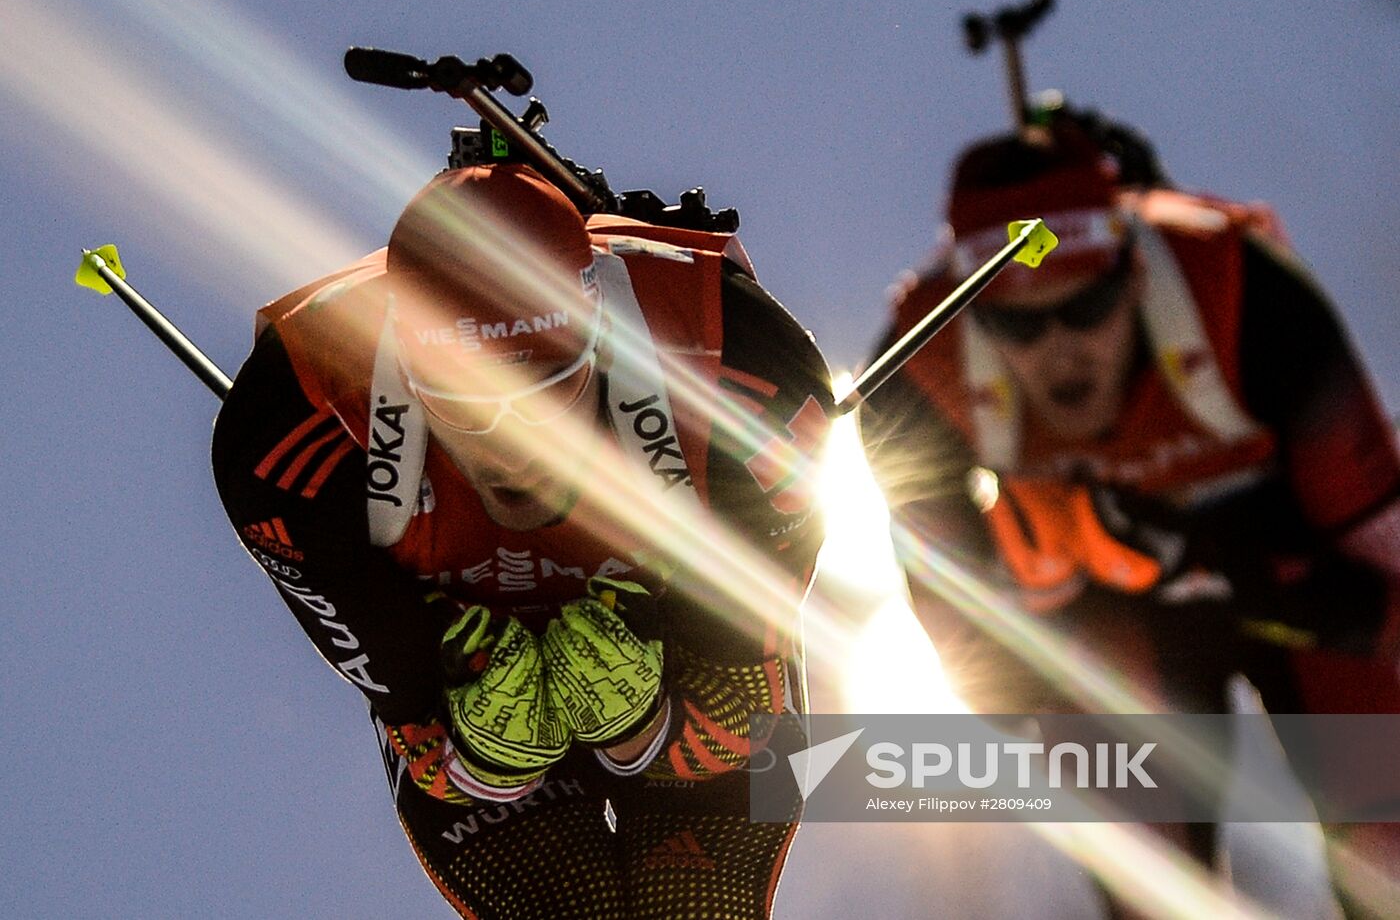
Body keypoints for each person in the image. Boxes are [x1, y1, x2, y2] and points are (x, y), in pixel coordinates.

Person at [212, 161, 833, 919]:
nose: (516, 447)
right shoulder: (284, 435)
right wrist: (484, 756)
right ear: (404, 377)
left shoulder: (750, 381)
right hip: (479, 712)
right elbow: (417, 730)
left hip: (692, 666)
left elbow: (749, 696)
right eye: (468, 404)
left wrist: (647, 726)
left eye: (552, 390)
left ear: (602, 346)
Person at [858, 116, 1400, 914]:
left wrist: (1270, 586)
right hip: (1113, 631)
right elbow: (982, 671)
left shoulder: (1249, 296)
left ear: (1135, 275)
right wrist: (1047, 588)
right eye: (1016, 322)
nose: (1059, 350)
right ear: (973, 316)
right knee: (1148, 877)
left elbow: (1386, 580)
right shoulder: (912, 377)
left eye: (1088, 307)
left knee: (1386, 845)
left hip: (1301, 586)